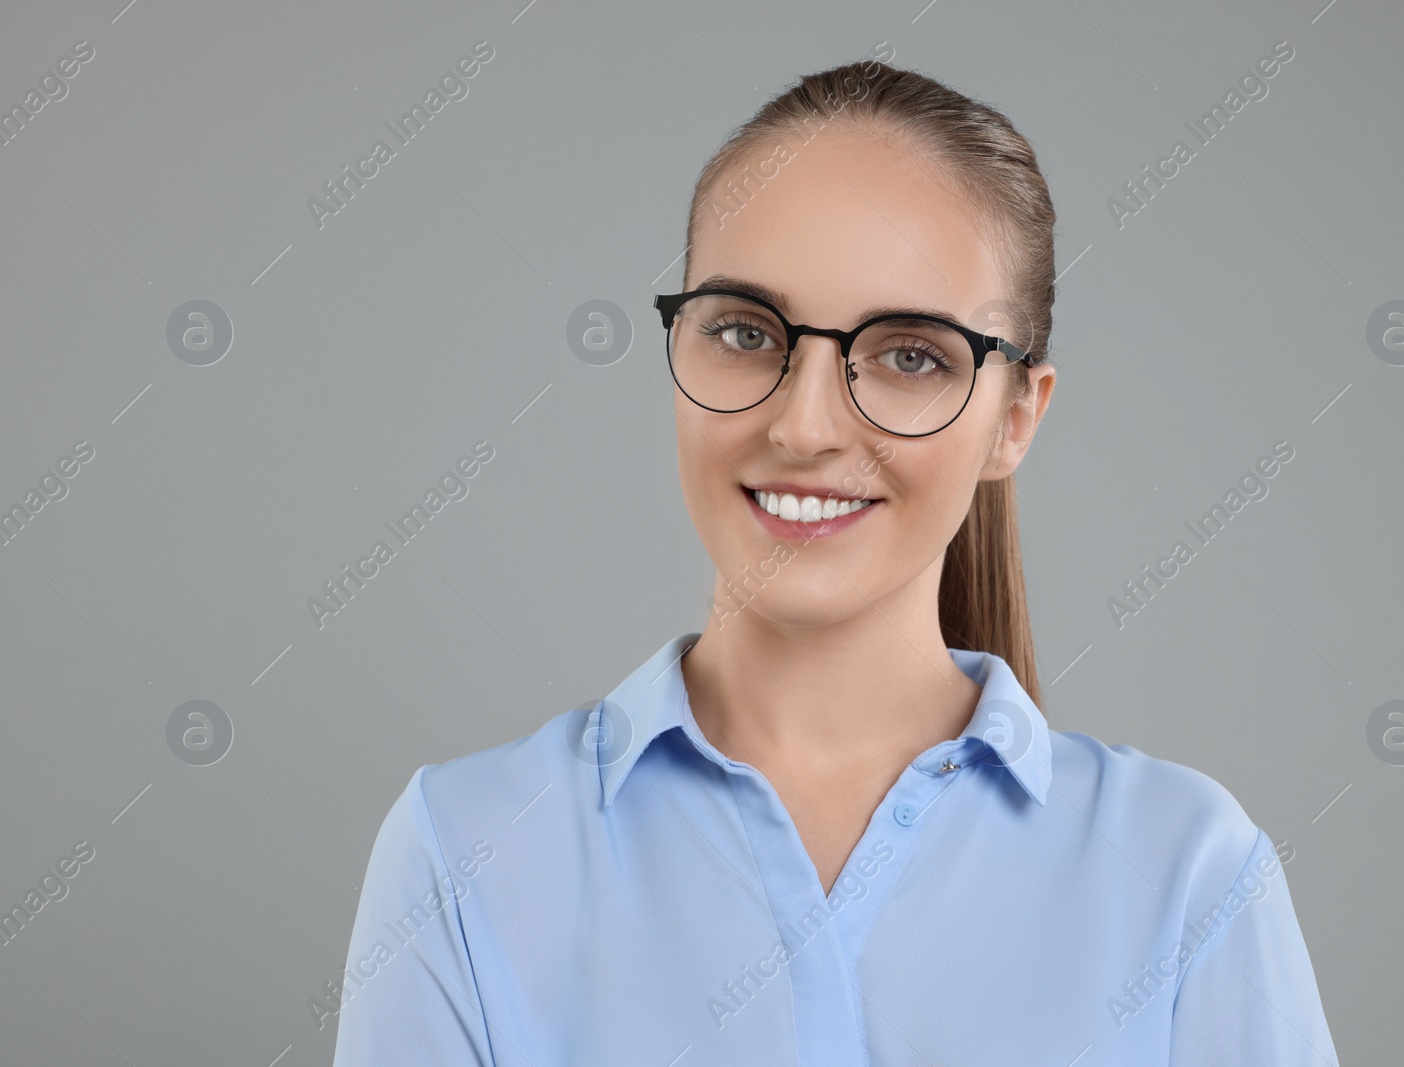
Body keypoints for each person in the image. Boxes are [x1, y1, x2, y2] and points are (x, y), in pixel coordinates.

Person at [330, 57, 1340, 1066]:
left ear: (1014, 419)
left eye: (910, 354)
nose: (805, 424)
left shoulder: (1189, 877)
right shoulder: (464, 850)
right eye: (744, 331)